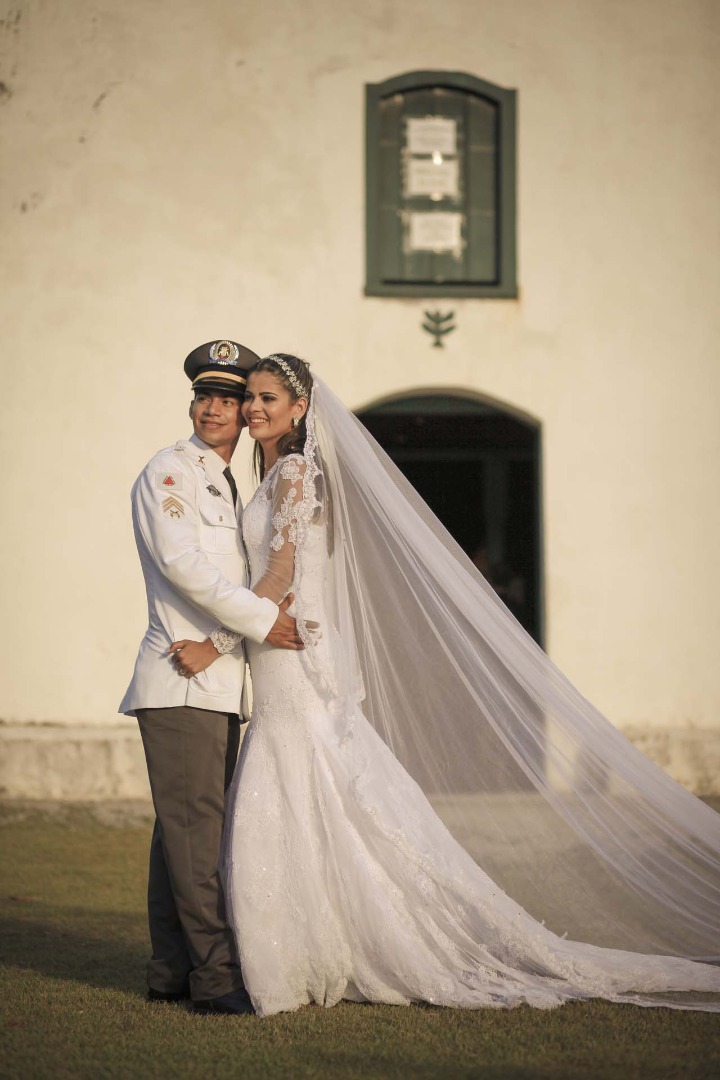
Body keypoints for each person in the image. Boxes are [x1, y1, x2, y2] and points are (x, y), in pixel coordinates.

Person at [173, 353, 720, 1018]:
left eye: (266, 397)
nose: (253, 407)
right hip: (284, 652)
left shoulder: (292, 471)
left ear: (299, 409)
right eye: (249, 397)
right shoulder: (279, 472)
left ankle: (311, 949)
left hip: (289, 658)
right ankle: (317, 942)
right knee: (312, 794)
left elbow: (282, 573)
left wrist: (216, 643)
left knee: (300, 784)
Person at [119, 340, 305, 1015]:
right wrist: (259, 619)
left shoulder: (231, 480)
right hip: (181, 678)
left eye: (229, 399)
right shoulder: (172, 472)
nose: (216, 409)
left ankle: (171, 968)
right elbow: (183, 566)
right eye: (207, 397)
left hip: (217, 681)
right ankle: (215, 976)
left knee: (181, 832)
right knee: (198, 832)